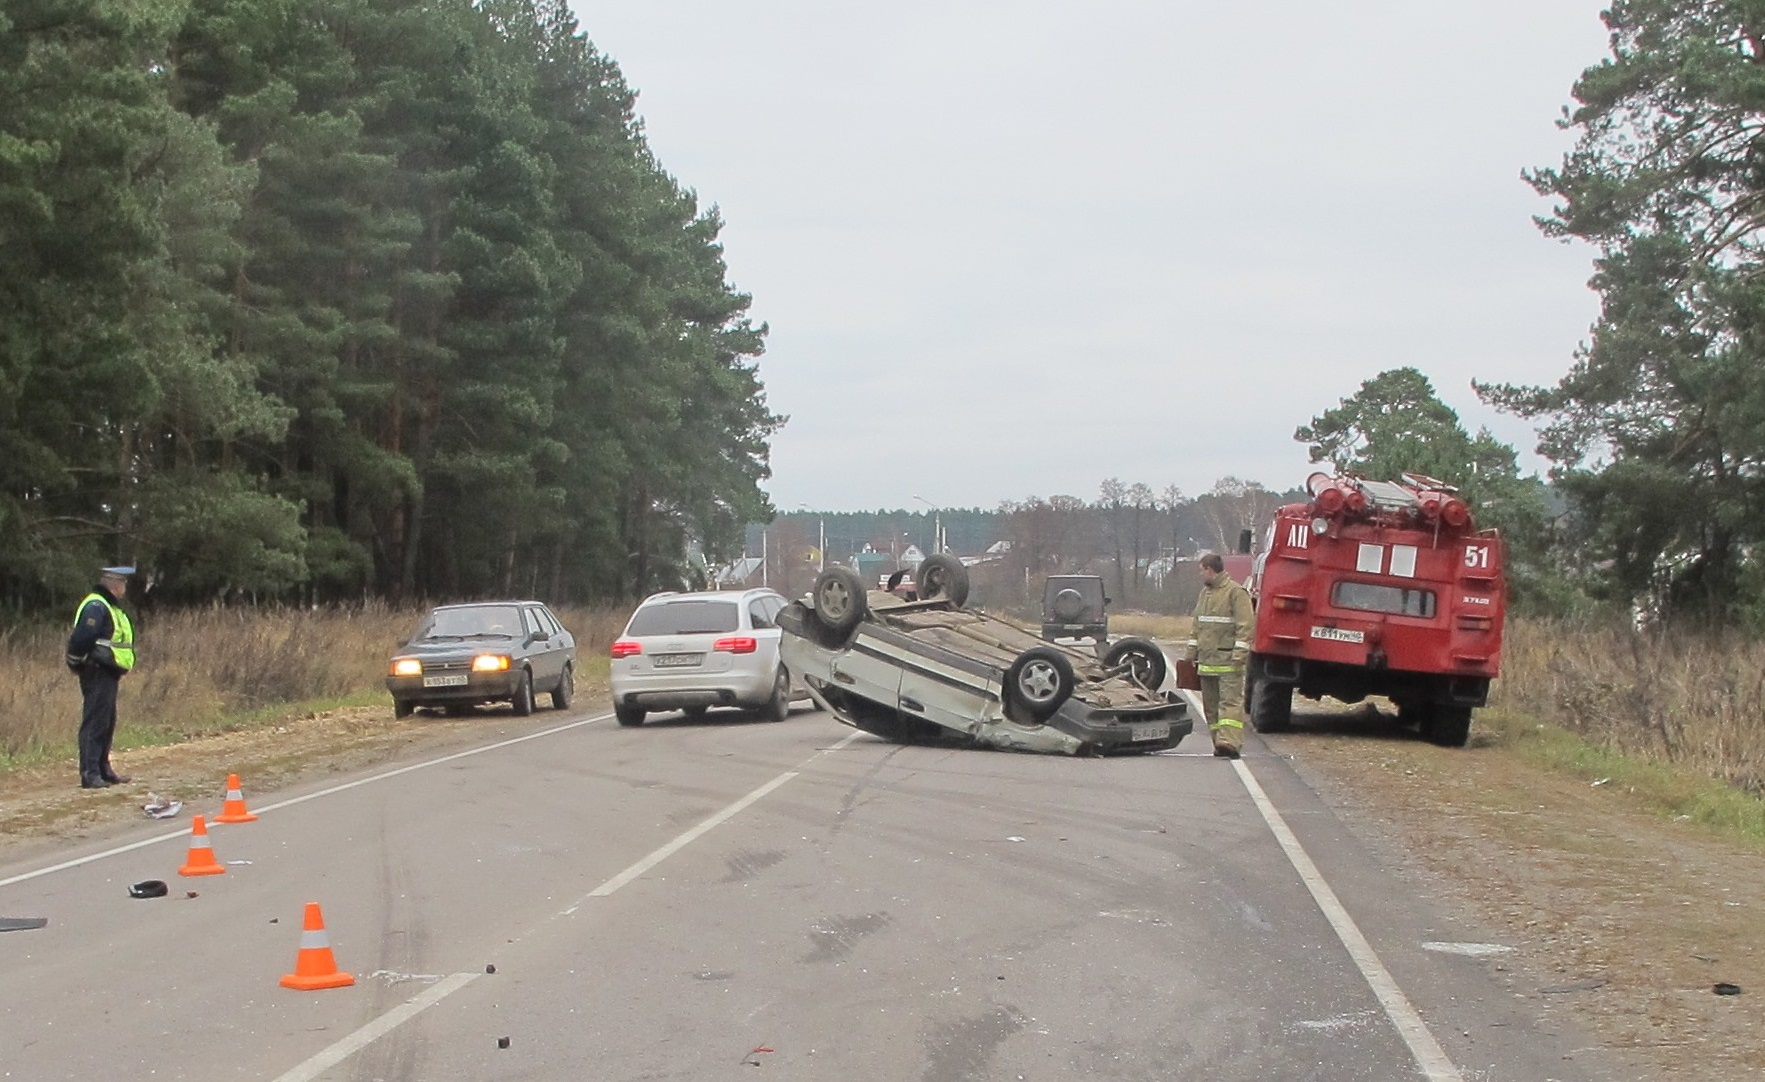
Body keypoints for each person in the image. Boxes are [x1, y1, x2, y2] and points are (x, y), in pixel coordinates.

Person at [65, 566, 138, 789]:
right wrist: (75, 660)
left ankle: (103, 769)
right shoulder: (96, 605)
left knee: (106, 721)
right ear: (115, 585)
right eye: (123, 583)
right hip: (96, 668)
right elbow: (83, 636)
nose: (125, 588)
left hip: (109, 670)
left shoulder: (110, 607)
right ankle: (90, 773)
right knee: (95, 721)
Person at [1185, 553, 1255, 759]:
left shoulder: (1236, 592)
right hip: (1206, 663)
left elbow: (1246, 626)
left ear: (1210, 569)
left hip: (1228, 662)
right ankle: (1218, 742)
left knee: (1230, 705)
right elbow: (1197, 626)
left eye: (1201, 570)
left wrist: (1239, 654)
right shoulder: (1204, 595)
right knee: (1211, 708)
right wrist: (1190, 654)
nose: (1200, 574)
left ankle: (1230, 743)